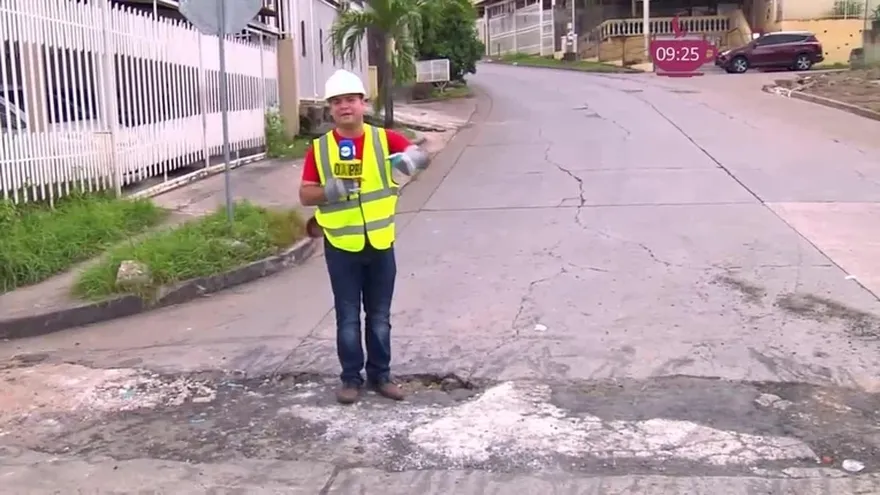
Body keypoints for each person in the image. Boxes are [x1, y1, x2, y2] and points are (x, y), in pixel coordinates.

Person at [299, 69, 430, 404]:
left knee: (379, 317)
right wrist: (332, 190)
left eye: (351, 100)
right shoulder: (320, 149)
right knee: (347, 318)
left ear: (363, 103)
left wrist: (411, 159)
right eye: (337, 102)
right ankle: (350, 379)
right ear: (330, 109)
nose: (345, 107)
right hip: (341, 246)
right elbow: (305, 194)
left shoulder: (384, 139)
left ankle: (381, 375)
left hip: (381, 244)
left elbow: (422, 156)